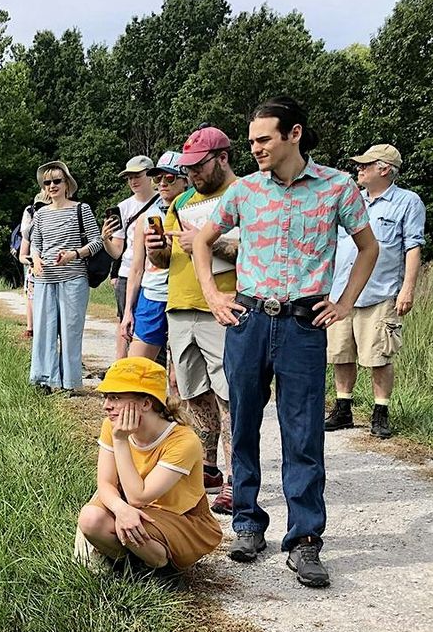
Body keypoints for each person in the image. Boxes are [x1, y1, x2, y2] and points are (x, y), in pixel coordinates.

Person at [192, 97, 380, 588]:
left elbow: (368, 248)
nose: (254, 148)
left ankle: (304, 541)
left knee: (303, 435)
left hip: (303, 326)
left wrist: (342, 303)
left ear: (293, 134)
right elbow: (202, 241)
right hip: (249, 320)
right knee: (245, 424)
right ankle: (248, 524)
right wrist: (214, 296)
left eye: (263, 139)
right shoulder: (245, 192)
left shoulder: (337, 186)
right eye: (251, 140)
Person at [146, 125, 239, 515]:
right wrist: (157, 250)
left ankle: (238, 478)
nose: (193, 175)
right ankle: (210, 467)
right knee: (192, 392)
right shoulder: (181, 200)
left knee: (229, 395)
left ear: (222, 158)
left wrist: (207, 240)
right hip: (180, 305)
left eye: (199, 167)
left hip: (223, 306)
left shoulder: (245, 195)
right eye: (189, 168)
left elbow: (254, 253)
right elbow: (166, 260)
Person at [74, 356, 222, 573]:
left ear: (146, 403)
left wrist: (121, 441)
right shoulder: (112, 425)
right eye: (106, 397)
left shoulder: (183, 441)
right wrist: (120, 508)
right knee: (90, 518)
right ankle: (130, 566)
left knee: (131, 526)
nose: (106, 406)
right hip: (136, 511)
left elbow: (138, 496)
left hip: (178, 517)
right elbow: (105, 483)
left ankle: (160, 567)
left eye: (115, 398)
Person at [324, 144, 425, 439]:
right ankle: (343, 409)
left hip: (380, 293)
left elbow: (413, 246)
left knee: (379, 356)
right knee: (341, 352)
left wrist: (407, 288)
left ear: (384, 169)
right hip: (341, 292)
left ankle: (381, 413)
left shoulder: (407, 201)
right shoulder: (352, 200)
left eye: (365, 165)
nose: (359, 168)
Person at [29, 160, 115, 394]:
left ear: (67, 184)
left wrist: (74, 254)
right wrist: (36, 260)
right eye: (47, 182)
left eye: (57, 181)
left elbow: (98, 241)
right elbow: (35, 243)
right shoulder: (41, 214)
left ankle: (69, 383)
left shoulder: (81, 209)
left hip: (73, 278)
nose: (52, 185)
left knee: (70, 331)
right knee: (44, 330)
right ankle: (44, 379)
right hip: (45, 278)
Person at [121, 152, 186, 365]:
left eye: (170, 178)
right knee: (136, 367)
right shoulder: (146, 218)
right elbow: (136, 268)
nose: (162, 184)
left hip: (183, 298)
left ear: (185, 179)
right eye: (157, 178)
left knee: (180, 376)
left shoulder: (193, 211)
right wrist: (128, 311)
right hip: (152, 296)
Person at [103, 156, 156, 360]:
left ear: (150, 175)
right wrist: (105, 239)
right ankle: (119, 366)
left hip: (155, 274)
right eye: (129, 177)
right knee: (124, 320)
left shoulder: (165, 202)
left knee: (151, 325)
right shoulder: (123, 207)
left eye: (137, 176)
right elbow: (117, 251)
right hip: (127, 273)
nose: (133, 181)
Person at [18, 187, 52, 338]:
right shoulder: (29, 229)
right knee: (31, 298)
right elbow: (22, 255)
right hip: (34, 270)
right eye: (38, 207)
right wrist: (32, 261)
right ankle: (31, 327)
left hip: (54, 270)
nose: (41, 210)